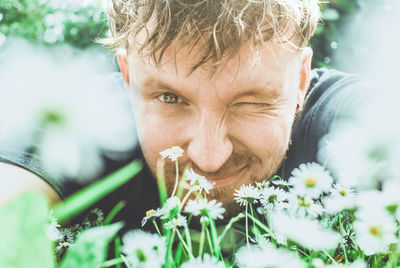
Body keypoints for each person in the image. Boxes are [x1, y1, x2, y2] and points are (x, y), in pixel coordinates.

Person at [0, 0, 367, 230]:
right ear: (128, 78)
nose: (209, 158)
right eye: (169, 98)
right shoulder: (78, 125)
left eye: (252, 101)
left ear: (301, 80)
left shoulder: (347, 118)